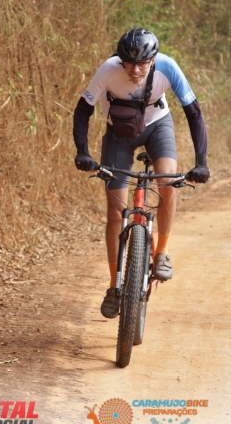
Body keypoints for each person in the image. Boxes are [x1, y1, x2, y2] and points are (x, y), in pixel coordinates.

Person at [72, 28, 210, 319]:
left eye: (143, 64)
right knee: (115, 211)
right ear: (120, 60)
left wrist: (201, 162)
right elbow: (83, 110)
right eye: (129, 63)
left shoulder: (168, 67)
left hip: (158, 126)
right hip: (118, 134)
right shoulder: (109, 70)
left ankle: (162, 253)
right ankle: (114, 285)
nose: (135, 71)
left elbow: (194, 113)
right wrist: (82, 151)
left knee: (167, 183)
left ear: (153, 59)